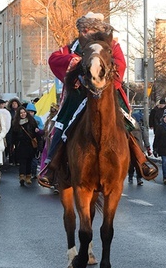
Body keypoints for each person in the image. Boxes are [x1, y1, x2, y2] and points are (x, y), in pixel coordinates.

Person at [38, 12, 155, 187]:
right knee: (62, 124)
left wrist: (104, 82)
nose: (85, 32)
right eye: (82, 29)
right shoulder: (72, 47)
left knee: (129, 123)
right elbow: (54, 59)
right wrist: (73, 62)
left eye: (89, 28)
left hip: (107, 92)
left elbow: (120, 65)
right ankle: (51, 166)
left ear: (98, 29)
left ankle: (141, 160)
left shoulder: (111, 45)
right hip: (79, 95)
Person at [11, 106, 39, 186]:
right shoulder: (16, 123)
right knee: (22, 161)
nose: (23, 114)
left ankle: (28, 176)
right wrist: (13, 145)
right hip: (20, 145)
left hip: (30, 144)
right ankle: (22, 176)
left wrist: (37, 133)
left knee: (29, 161)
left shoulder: (31, 121)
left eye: (24, 112)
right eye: (21, 113)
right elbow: (14, 135)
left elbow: (36, 132)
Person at [128, 109, 152, 185]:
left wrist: (147, 147)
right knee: (132, 164)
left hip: (138, 147)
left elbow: (145, 137)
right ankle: (131, 176)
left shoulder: (139, 126)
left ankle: (138, 178)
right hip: (130, 148)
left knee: (139, 163)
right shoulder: (126, 127)